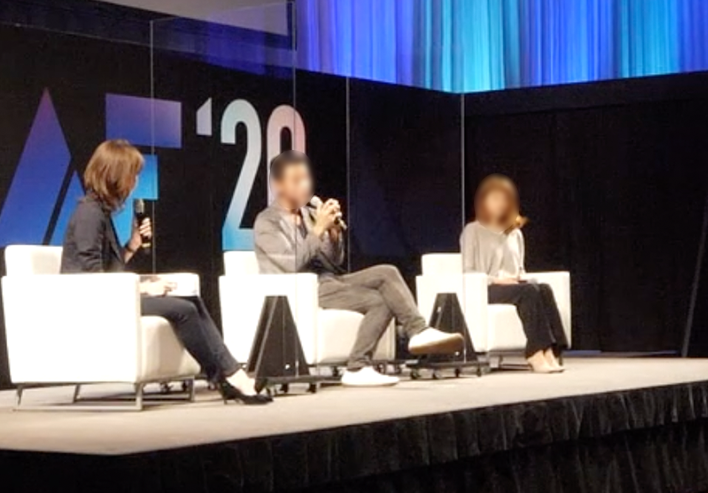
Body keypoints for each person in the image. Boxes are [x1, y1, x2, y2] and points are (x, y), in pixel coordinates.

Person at [61, 139, 270, 405]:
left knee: (191, 299)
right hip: (94, 302)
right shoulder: (89, 214)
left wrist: (132, 245)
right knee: (183, 310)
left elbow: (110, 270)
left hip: (111, 296)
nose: (135, 182)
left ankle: (231, 374)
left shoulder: (100, 212)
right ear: (115, 175)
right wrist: (143, 288)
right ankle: (225, 377)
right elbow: (94, 279)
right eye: (133, 174)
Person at [254, 151, 463, 388]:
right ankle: (357, 367)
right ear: (278, 185)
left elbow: (335, 263)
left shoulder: (309, 214)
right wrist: (318, 230)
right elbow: (291, 264)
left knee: (387, 272)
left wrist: (333, 235)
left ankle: (418, 330)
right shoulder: (267, 222)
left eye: (306, 178)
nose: (305, 185)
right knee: (379, 301)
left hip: (329, 282)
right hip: (299, 290)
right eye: (296, 180)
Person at [461, 175, 567, 374]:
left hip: (513, 286)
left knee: (543, 289)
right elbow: (468, 271)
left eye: (504, 199)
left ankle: (551, 350)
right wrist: (497, 280)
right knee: (528, 292)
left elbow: (519, 267)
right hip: (486, 288)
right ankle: (535, 353)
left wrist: (520, 277)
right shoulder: (472, 230)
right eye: (494, 198)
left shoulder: (515, 232)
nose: (499, 204)